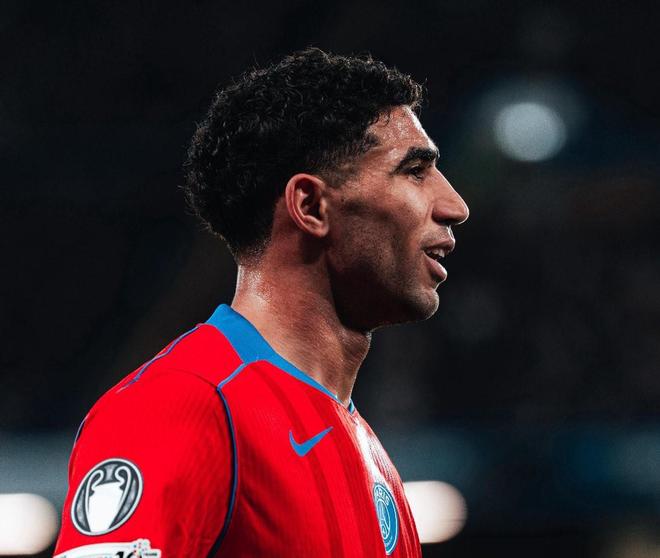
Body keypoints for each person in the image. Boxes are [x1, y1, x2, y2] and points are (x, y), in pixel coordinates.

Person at [54, 48, 469, 558]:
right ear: (310, 205)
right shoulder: (181, 404)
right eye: (415, 171)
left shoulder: (371, 456)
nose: (455, 206)